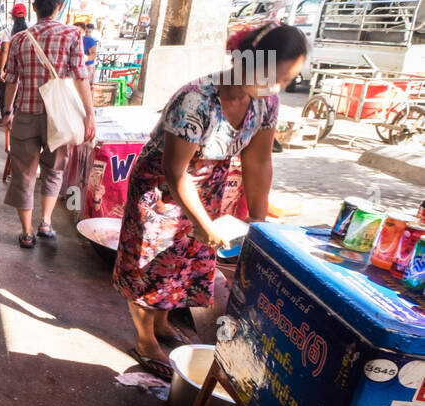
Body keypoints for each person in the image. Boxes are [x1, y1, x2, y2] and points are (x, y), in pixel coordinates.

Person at [114, 23, 306, 377]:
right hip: (162, 186)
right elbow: (175, 172)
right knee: (151, 264)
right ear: (248, 60)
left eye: (286, 79)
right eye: (273, 75)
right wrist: (203, 224)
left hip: (208, 187)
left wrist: (259, 225)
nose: (277, 87)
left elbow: (258, 161)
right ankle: (144, 339)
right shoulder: (196, 98)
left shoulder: (266, 103)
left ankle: (161, 322)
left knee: (183, 262)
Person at [1, 0, 96, 248]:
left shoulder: (21, 38)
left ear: (34, 7)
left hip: (26, 114)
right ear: (59, 6)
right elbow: (80, 77)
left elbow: (11, 80)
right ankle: (45, 222)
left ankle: (26, 232)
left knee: (23, 173)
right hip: (59, 117)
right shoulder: (71, 35)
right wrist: (89, 115)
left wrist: (7, 111)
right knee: (54, 170)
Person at [0, 4, 29, 123]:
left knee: (7, 91)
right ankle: (19, 117)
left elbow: (5, 49)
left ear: (12, 17)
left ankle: (6, 115)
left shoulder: (9, 30)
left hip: (10, 64)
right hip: (26, 65)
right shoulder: (31, 29)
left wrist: (2, 70)